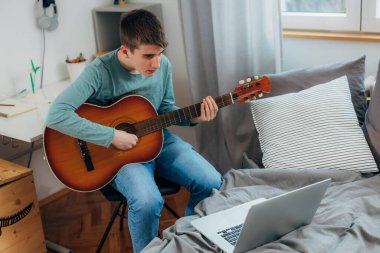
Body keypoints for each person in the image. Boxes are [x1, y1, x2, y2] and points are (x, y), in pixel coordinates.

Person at [46, 9, 222, 253]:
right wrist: (112, 136)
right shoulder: (99, 71)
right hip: (116, 154)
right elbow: (57, 114)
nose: (157, 63)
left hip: (159, 140)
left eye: (160, 54)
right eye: (149, 56)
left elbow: (164, 108)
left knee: (211, 182)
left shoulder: (163, 66)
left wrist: (194, 116)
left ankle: (186, 244)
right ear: (126, 50)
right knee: (148, 201)